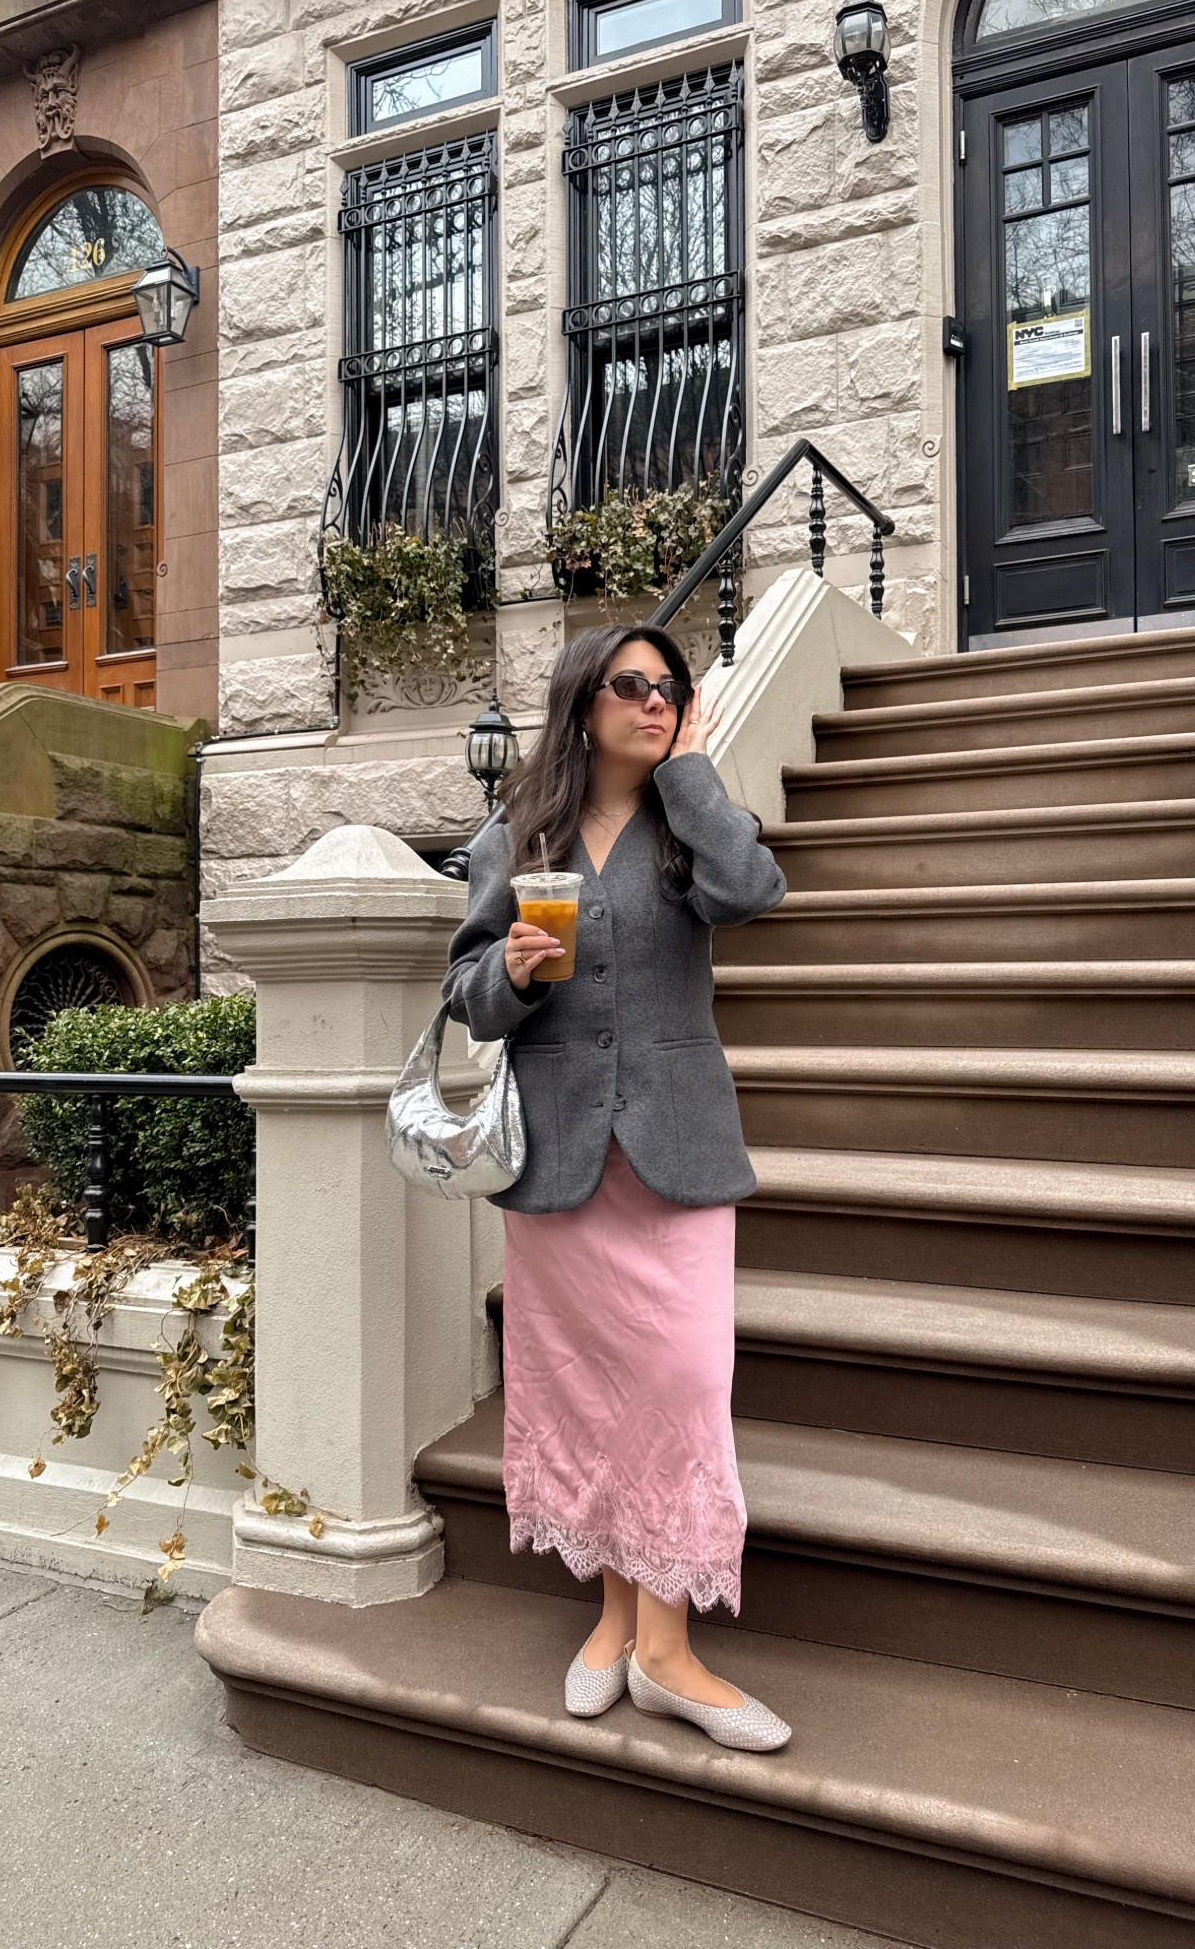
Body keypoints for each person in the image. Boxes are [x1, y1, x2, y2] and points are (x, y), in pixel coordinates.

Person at [442, 622, 791, 1752]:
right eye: (631, 685)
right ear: (580, 699)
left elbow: (754, 889)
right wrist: (505, 972)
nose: (653, 700)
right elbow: (463, 990)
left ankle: (670, 1649)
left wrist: (690, 764)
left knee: (680, 1383)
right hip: (558, 1155)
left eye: (669, 688)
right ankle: (613, 1615)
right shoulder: (517, 833)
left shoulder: (691, 822)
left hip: (677, 1150)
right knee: (588, 1391)